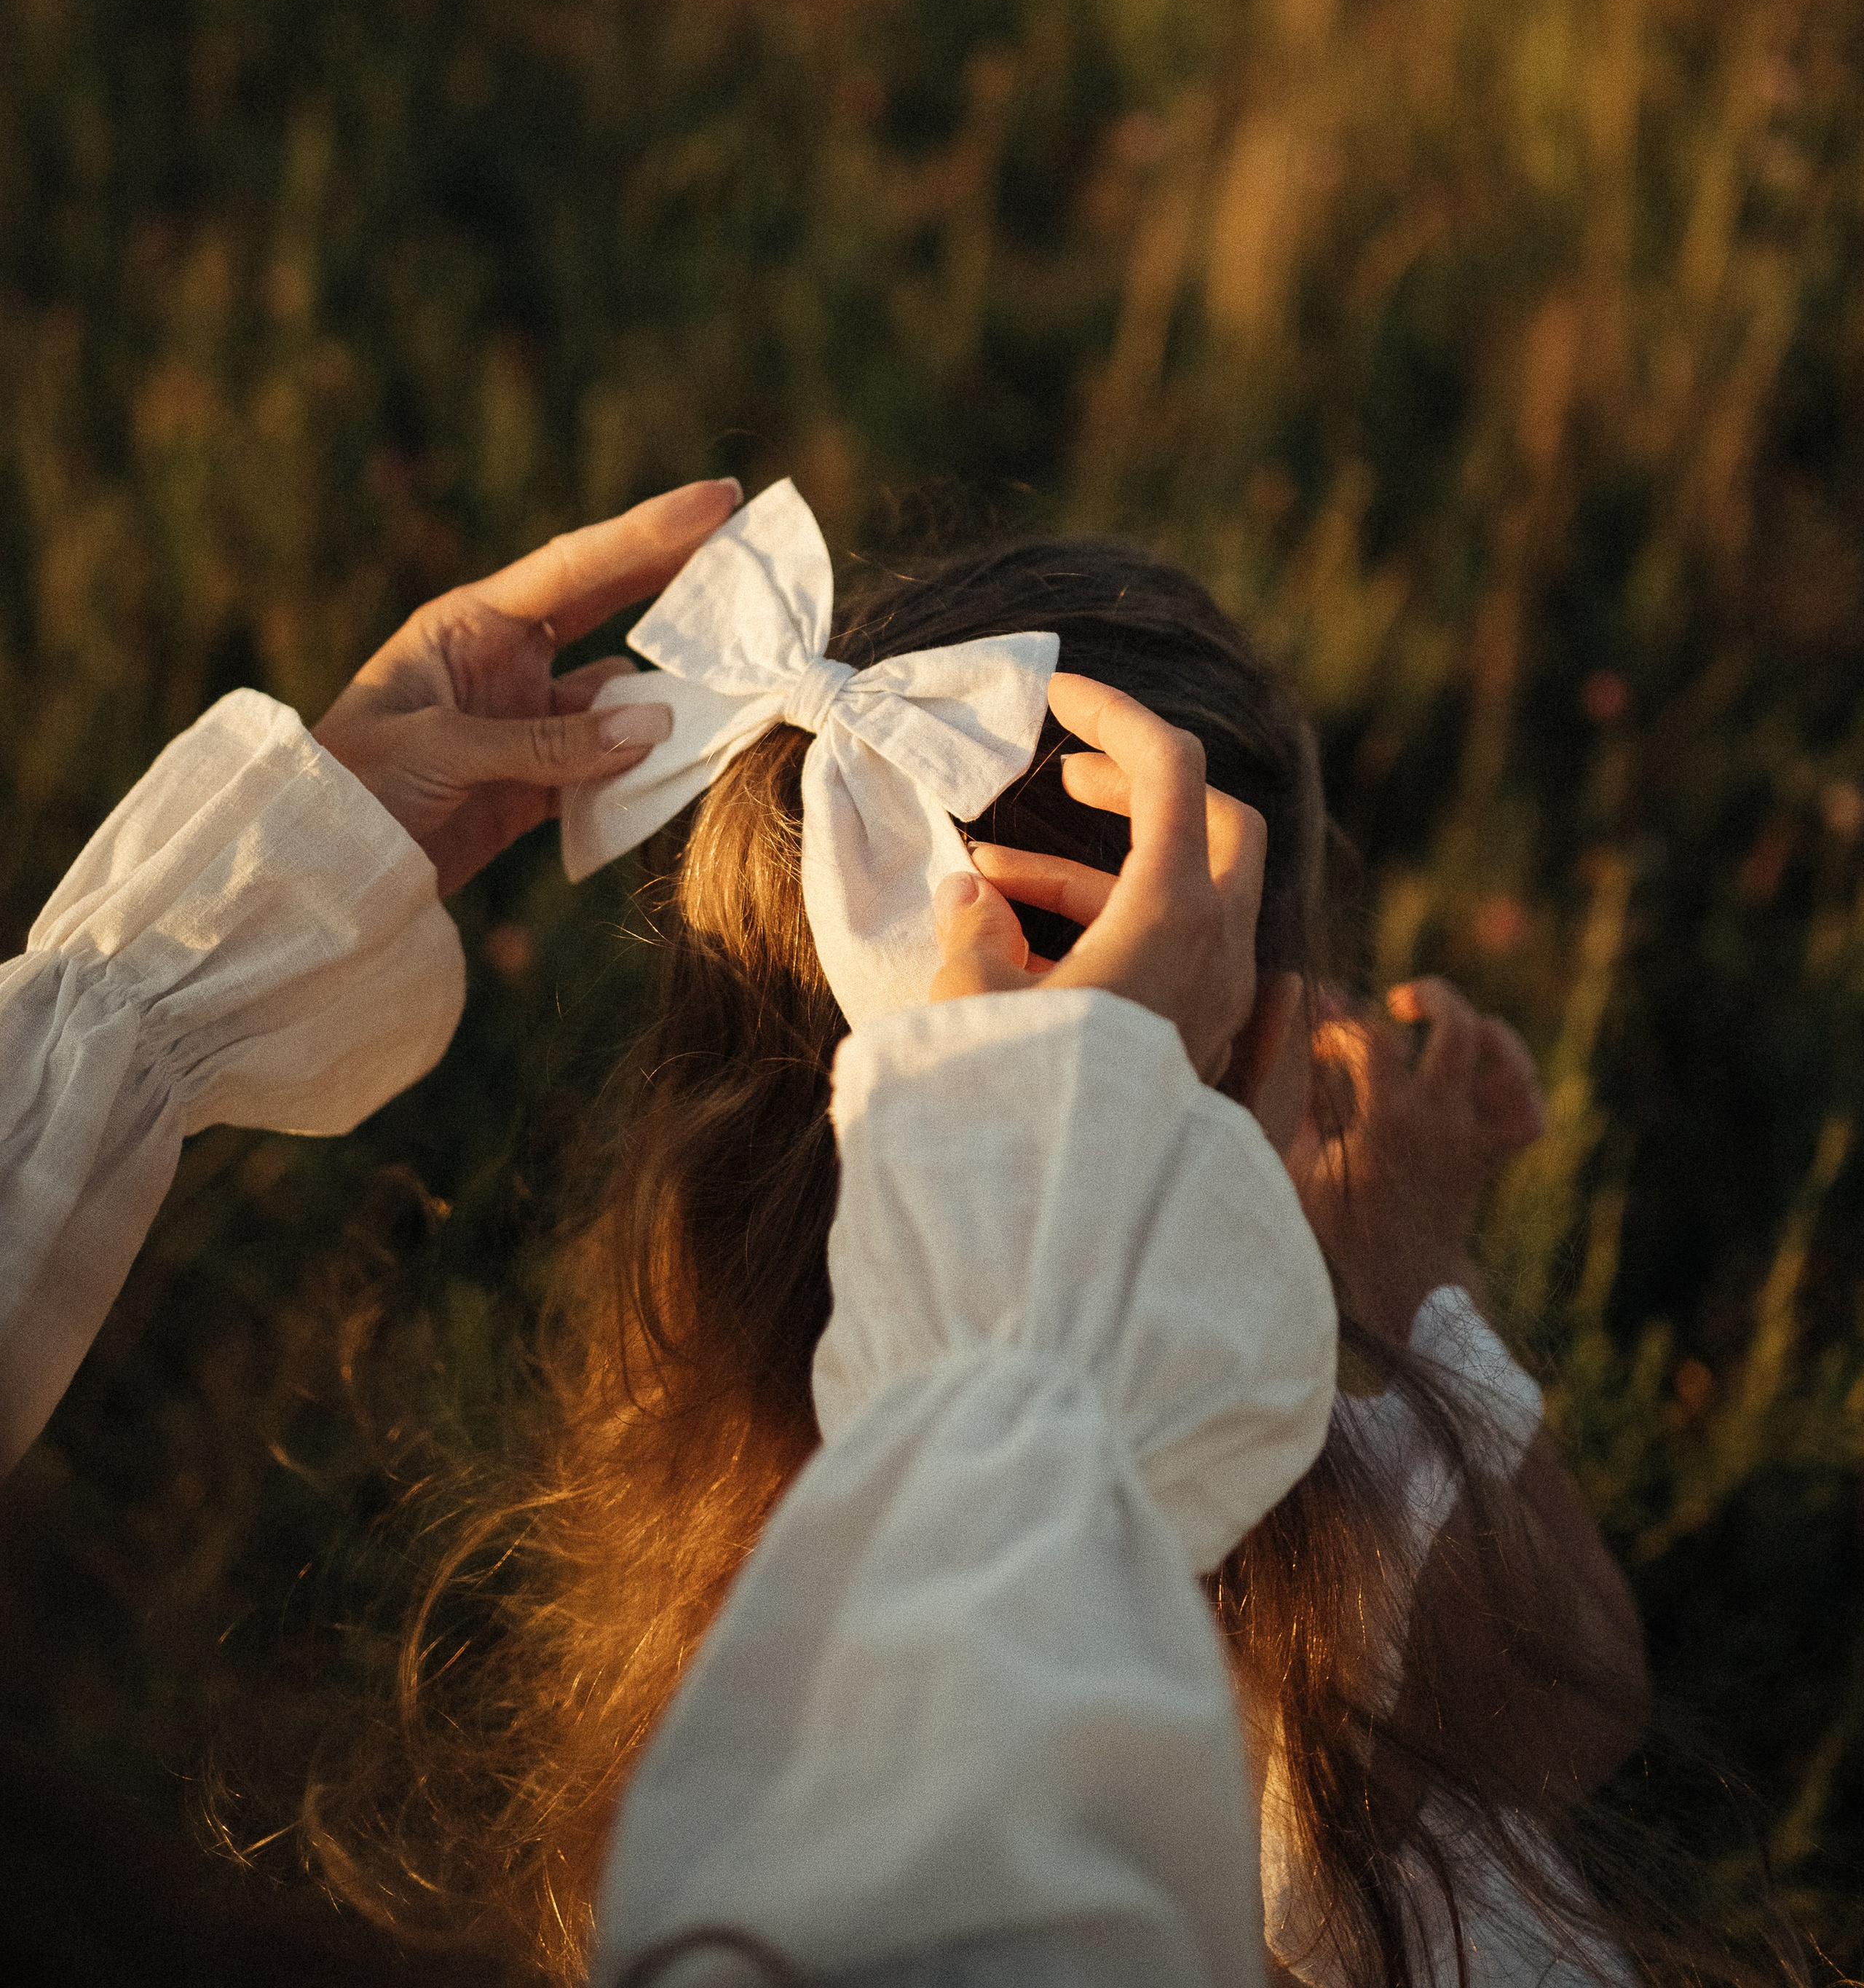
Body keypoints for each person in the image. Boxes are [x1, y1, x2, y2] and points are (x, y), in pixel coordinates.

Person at [0, 477, 1672, 1983]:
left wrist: (174, 960)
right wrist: (1413, 1279)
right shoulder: (1326, 1468)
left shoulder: (715, 1454)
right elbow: (1581, 1695)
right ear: (1241, 1041)